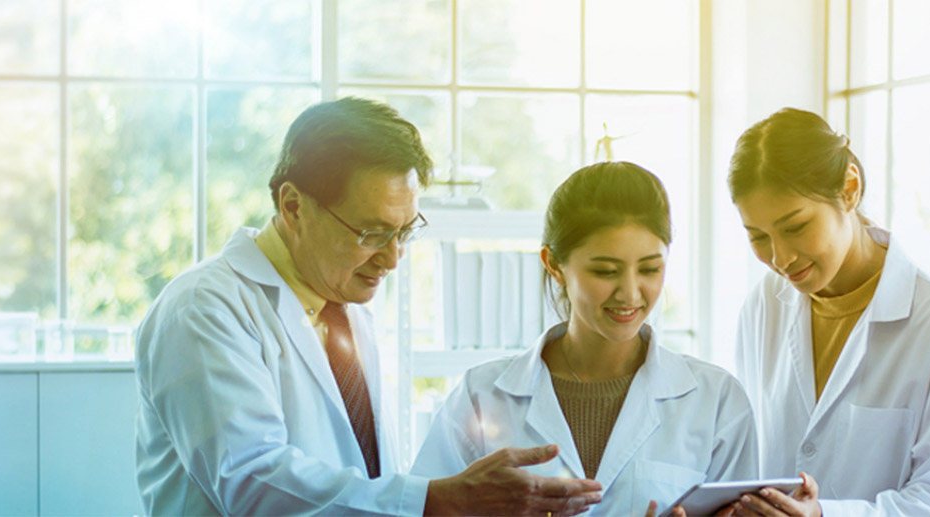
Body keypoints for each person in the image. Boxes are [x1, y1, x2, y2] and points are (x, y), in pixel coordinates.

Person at [134, 97, 604, 516]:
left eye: (404, 231)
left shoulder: (346, 303)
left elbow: (369, 480)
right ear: (293, 206)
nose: (393, 258)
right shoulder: (204, 310)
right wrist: (440, 499)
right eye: (371, 234)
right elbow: (252, 482)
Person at [409, 162, 759, 517]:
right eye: (605, 271)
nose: (630, 292)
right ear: (554, 265)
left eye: (651, 269)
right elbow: (424, 509)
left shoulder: (717, 403)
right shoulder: (481, 397)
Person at [724, 107, 930, 516]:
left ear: (849, 188)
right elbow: (746, 464)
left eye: (795, 226)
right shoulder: (762, 307)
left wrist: (825, 514)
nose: (780, 258)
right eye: (758, 236)